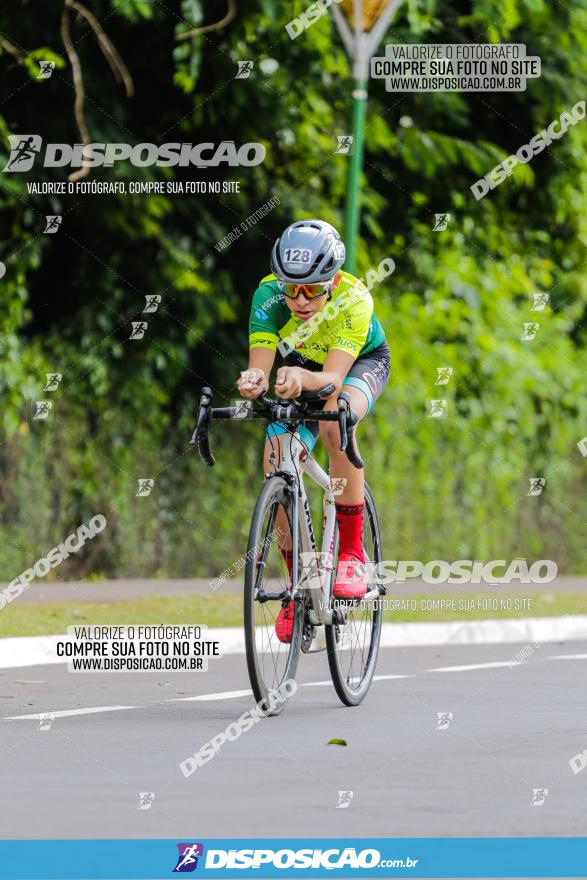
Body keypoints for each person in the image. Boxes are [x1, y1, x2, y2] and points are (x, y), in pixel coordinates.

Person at [237, 219, 390, 642]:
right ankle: (298, 590)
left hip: (358, 363)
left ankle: (352, 554)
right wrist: (254, 379)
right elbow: (262, 360)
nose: (301, 300)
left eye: (313, 289)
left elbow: (332, 381)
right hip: (300, 368)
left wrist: (301, 381)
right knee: (275, 459)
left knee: (336, 422)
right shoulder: (268, 297)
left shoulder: (353, 299)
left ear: (333, 280)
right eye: (291, 288)